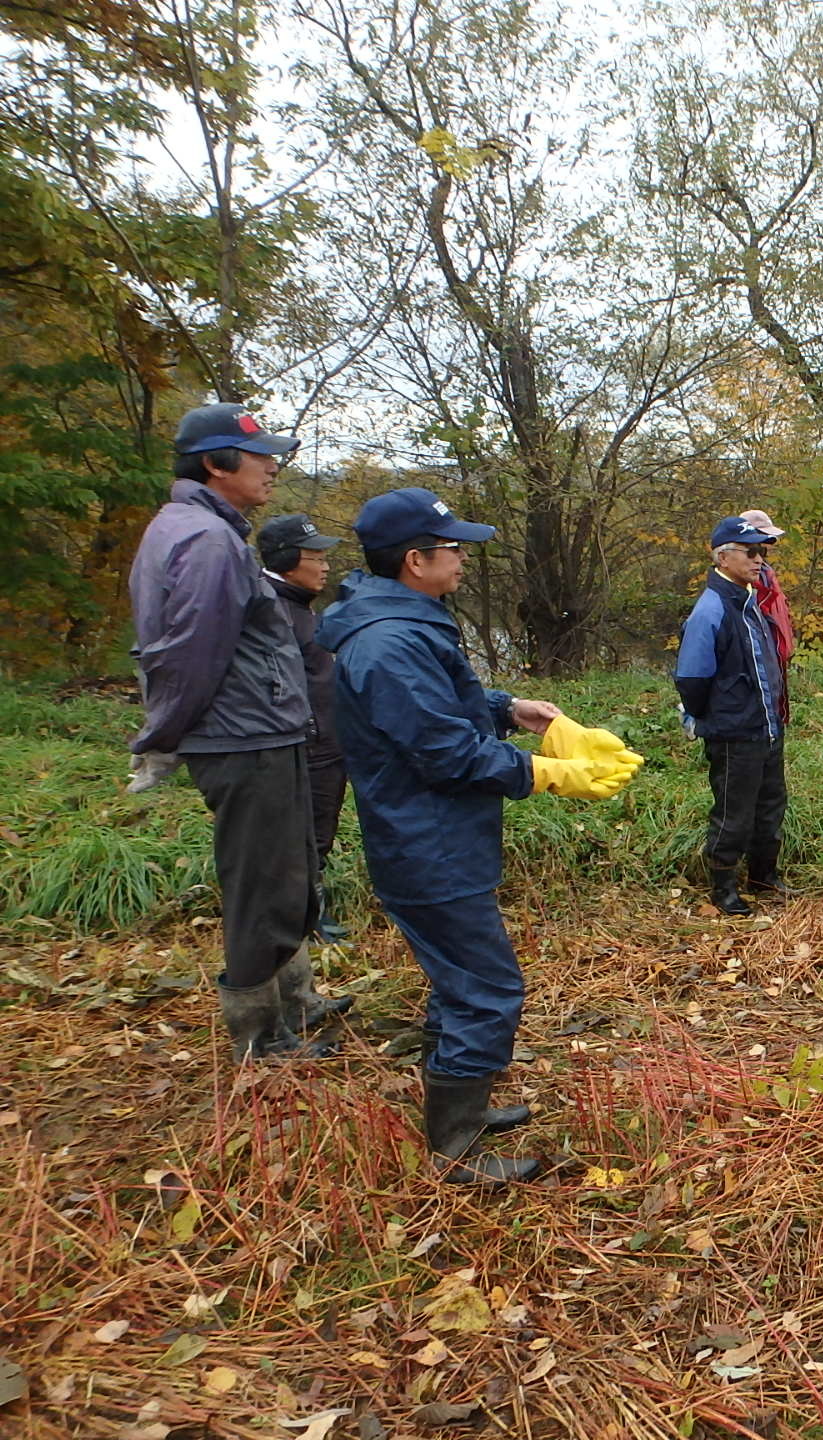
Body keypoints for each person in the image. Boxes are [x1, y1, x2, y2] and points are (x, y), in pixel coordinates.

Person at [318, 488, 640, 1186]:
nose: (463, 558)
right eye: (453, 548)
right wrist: (546, 774)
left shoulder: (406, 621)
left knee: (459, 978)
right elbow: (443, 751)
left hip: (440, 836)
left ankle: (459, 1111)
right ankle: (455, 1147)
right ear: (415, 559)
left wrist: (507, 708)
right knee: (487, 987)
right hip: (425, 843)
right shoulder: (387, 642)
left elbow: (447, 709)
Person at [127, 403, 339, 1062]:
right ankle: (259, 1037)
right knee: (262, 887)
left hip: (265, 730)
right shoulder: (206, 541)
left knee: (289, 876)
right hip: (243, 739)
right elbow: (189, 650)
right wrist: (161, 736)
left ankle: (294, 999)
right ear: (216, 463)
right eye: (258, 455)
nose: (273, 466)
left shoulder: (203, 529)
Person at [676, 516, 790, 916]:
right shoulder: (711, 609)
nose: (761, 560)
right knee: (733, 813)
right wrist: (708, 717)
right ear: (723, 557)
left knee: (770, 805)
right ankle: (724, 888)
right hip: (734, 733)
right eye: (752, 552)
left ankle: (765, 878)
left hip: (767, 729)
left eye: (764, 551)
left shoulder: (749, 600)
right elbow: (691, 677)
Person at [257, 513, 354, 945]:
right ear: (289, 560)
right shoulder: (271, 609)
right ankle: (305, 922)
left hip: (325, 741)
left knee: (319, 830)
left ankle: (311, 912)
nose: (326, 565)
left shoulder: (298, 607)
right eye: (316, 556)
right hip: (304, 743)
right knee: (305, 834)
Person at [738, 508, 795, 728]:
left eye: (766, 547)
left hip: (775, 663)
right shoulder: (741, 583)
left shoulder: (767, 575)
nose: (760, 556)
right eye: (755, 548)